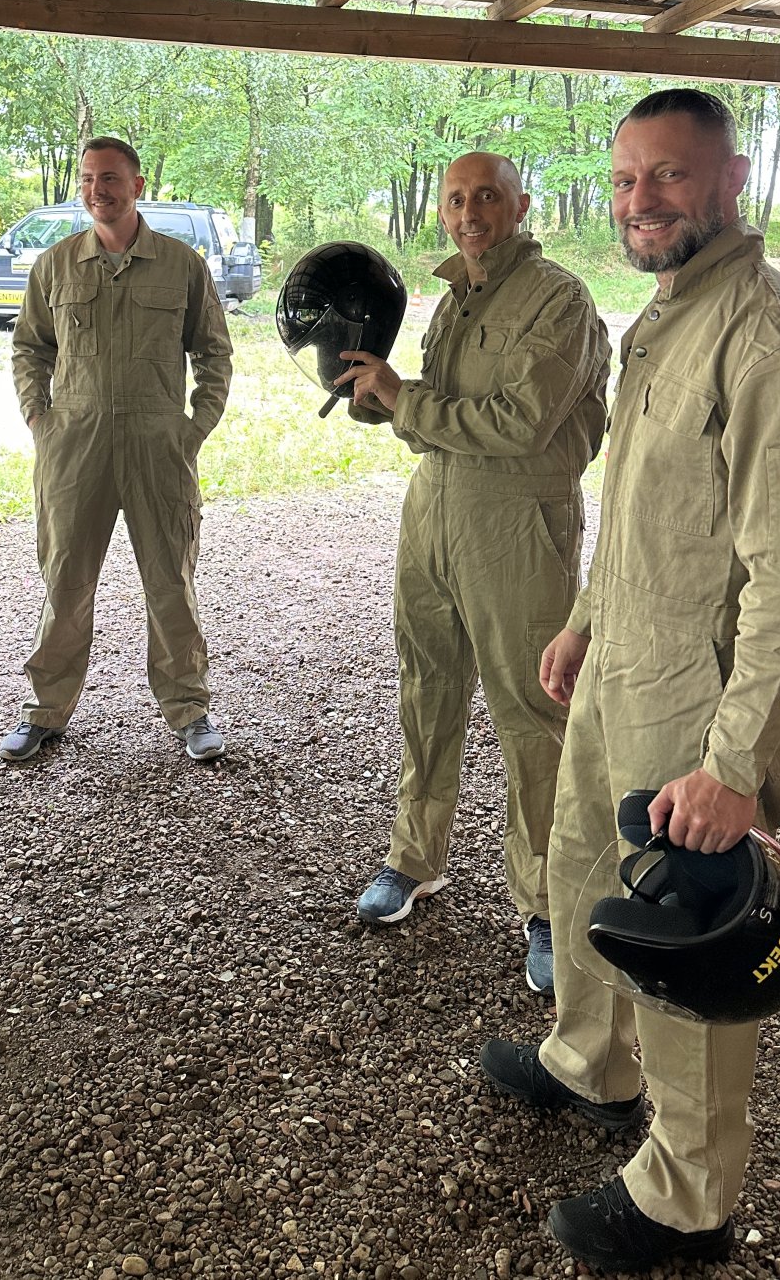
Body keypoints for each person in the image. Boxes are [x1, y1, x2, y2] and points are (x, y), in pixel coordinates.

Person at [479, 90, 780, 1272]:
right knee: (578, 863)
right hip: (621, 666)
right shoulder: (666, 314)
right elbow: (643, 505)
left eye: (668, 175)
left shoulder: (771, 340)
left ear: (731, 180)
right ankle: (589, 1061)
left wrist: (732, 764)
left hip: (695, 697)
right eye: (623, 179)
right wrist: (583, 621)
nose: (639, 201)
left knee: (682, 933)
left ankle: (687, 1196)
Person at [339, 153, 609, 994]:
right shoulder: (456, 296)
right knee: (426, 687)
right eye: (455, 199)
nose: (468, 212)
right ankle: (415, 857)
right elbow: (440, 417)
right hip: (434, 513)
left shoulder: (558, 299)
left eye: (486, 196)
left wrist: (407, 400)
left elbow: (524, 421)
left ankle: (547, 902)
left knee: (533, 708)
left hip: (517, 523)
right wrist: (381, 399)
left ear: (520, 205)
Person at [1, 137, 233, 765]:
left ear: (136, 186)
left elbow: (214, 352)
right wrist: (39, 418)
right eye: (87, 179)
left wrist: (194, 427)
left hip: (159, 446)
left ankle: (190, 709)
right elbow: (29, 348)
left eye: (109, 178)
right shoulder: (56, 265)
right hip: (74, 447)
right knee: (66, 580)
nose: (96, 190)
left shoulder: (181, 264)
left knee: (170, 581)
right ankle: (46, 710)